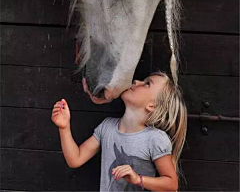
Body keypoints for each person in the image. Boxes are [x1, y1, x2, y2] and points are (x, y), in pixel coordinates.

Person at [51, 70, 187, 191]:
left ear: (152, 106)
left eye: (147, 84)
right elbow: (75, 159)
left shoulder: (155, 139)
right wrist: (64, 127)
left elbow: (171, 184)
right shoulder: (107, 127)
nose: (136, 81)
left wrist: (138, 179)